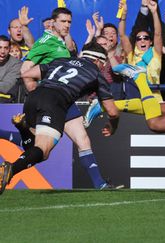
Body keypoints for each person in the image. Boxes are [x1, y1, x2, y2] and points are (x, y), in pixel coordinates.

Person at [0, 42, 120, 195]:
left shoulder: (62, 60)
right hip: (57, 101)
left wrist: (36, 92)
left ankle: (100, 184)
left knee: (80, 139)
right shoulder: (96, 74)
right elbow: (112, 111)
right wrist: (113, 125)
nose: (103, 68)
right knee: (42, 151)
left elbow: (26, 74)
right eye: (103, 64)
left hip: (37, 97)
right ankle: (10, 169)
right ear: (98, 61)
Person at [20, 7, 118, 189]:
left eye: (69, 22)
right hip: (52, 99)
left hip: (63, 99)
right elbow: (25, 70)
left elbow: (80, 62)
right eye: (63, 21)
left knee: (82, 139)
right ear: (52, 22)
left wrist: (94, 34)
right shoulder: (47, 41)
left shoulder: (60, 42)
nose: (67, 25)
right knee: (40, 147)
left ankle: (101, 185)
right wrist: (36, 94)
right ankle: (12, 138)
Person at [0, 35, 22, 102]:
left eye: (6, 48)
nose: (2, 51)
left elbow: (6, 87)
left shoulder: (16, 64)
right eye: (0, 47)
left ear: (9, 49)